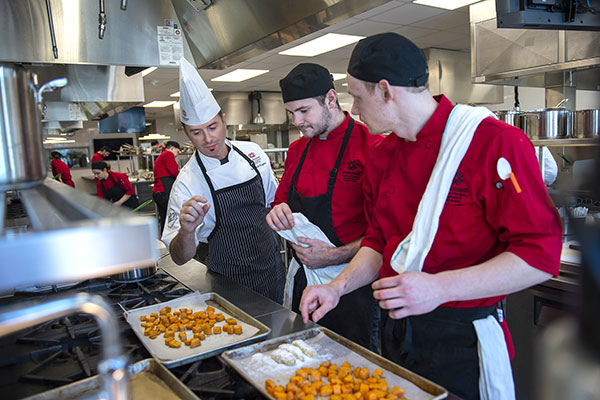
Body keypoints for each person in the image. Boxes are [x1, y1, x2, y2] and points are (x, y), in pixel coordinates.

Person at [299, 33, 562, 400]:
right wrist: (336, 287)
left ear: (387, 91)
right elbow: (379, 239)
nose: (354, 110)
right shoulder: (383, 153)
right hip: (397, 334)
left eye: (358, 97)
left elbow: (540, 257)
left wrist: (439, 288)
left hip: (463, 342)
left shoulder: (492, 142)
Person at [266, 63, 383, 350]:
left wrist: (333, 255)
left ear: (331, 99)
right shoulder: (297, 150)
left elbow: (386, 233)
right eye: (291, 113)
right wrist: (277, 212)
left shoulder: (372, 146)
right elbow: (280, 202)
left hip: (355, 289)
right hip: (305, 283)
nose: (297, 121)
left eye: (304, 110)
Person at [161, 57, 284, 303]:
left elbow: (273, 204)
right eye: (197, 132)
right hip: (227, 281)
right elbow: (179, 257)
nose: (208, 139)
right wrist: (186, 231)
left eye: (213, 127)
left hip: (271, 270)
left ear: (224, 119)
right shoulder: (187, 183)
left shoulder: (253, 154)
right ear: (186, 133)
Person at [153, 141, 180, 234]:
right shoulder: (168, 154)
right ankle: (170, 239)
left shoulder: (162, 155)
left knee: (164, 218)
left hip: (158, 192)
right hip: (164, 192)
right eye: (177, 151)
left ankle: (164, 241)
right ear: (172, 148)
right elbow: (174, 171)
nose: (177, 155)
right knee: (170, 220)